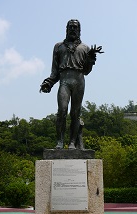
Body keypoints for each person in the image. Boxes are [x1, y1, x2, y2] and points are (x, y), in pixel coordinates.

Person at [40, 19, 103, 149]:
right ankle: (60, 142)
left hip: (79, 80)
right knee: (62, 110)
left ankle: (72, 143)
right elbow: (54, 70)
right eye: (71, 27)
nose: (73, 29)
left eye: (75, 27)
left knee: (75, 113)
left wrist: (90, 59)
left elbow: (86, 71)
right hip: (64, 80)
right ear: (66, 29)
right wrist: (49, 83)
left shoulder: (85, 48)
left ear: (79, 30)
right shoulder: (58, 47)